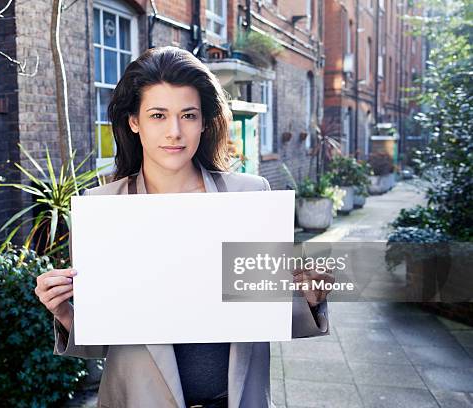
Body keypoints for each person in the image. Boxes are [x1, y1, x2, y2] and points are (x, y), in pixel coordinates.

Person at [35, 46, 333, 408]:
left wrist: (309, 299)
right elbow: (104, 340)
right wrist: (67, 314)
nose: (174, 132)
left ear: (204, 121)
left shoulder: (249, 197)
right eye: (158, 115)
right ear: (134, 121)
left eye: (188, 115)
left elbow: (264, 313)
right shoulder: (103, 208)